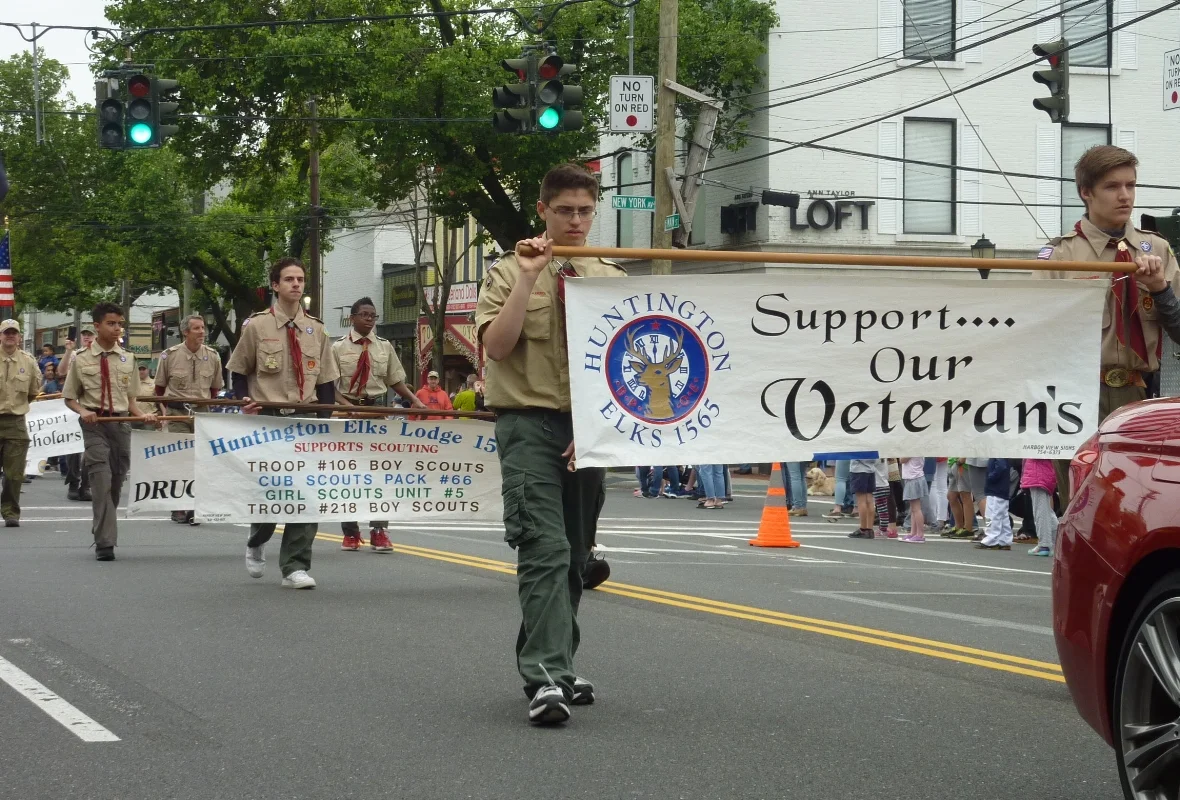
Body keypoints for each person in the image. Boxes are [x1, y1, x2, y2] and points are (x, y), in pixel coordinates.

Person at [474, 162, 626, 725]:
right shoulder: (508, 269)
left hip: (589, 433)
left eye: (585, 210)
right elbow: (496, 345)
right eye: (564, 210)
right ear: (543, 210)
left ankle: (557, 663)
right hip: (529, 425)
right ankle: (544, 678)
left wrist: (598, 426)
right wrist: (529, 277)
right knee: (544, 548)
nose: (576, 220)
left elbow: (624, 367)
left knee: (576, 556)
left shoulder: (611, 276)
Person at [1044, 145, 1180, 498]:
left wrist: (1160, 290)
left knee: (1134, 504)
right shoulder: (1061, 255)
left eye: (1130, 185)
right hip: (1074, 397)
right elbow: (1036, 336)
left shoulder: (1158, 251)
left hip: (1137, 397)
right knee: (1079, 505)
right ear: (1086, 192)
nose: (1125, 196)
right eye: (1112, 186)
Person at [226, 257, 339, 589]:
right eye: (288, 279)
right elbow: (239, 370)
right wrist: (244, 400)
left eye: (300, 279)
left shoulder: (316, 329)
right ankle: (256, 538)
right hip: (269, 420)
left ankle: (295, 566)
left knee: (308, 495)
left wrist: (325, 419)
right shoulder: (257, 326)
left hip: (305, 417)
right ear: (275, 285)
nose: (296, 284)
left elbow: (327, 382)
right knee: (271, 494)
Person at [62, 303, 159, 561]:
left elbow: (131, 402)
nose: (117, 329)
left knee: (116, 482)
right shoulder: (81, 359)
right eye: (111, 323)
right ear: (97, 326)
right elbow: (70, 397)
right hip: (95, 425)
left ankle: (102, 526)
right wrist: (83, 411)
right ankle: (105, 542)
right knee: (100, 480)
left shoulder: (128, 358)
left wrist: (144, 416)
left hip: (120, 424)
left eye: (119, 324)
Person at [333, 296, 425, 552]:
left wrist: (415, 401)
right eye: (364, 314)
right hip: (346, 415)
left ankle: (379, 530)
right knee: (347, 474)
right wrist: (346, 407)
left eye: (373, 315)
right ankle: (350, 532)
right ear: (352, 318)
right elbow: (329, 385)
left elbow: (396, 380)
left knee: (381, 473)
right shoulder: (338, 348)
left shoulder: (384, 347)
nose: (370, 319)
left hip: (376, 412)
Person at [154, 314, 224, 525]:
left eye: (203, 328)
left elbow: (215, 388)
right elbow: (159, 388)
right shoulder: (169, 355)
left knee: (200, 461)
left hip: (201, 414)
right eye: (196, 328)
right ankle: (179, 506)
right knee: (180, 460)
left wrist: (204, 406)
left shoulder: (213, 356)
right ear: (185, 332)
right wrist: (164, 412)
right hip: (177, 413)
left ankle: (196, 505)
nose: (202, 332)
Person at [0, 320, 43, 527]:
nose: (10, 336)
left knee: (14, 474)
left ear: (19, 337)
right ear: (0, 335)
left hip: (16, 422)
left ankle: (10, 512)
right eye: (6, 333)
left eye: (13, 333)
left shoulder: (28, 361)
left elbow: (34, 391)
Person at [60, 325, 96, 502]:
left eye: (90, 335)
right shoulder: (76, 355)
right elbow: (61, 371)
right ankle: (74, 483)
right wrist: (68, 351)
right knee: (73, 449)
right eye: (85, 335)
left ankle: (86, 486)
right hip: (75, 407)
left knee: (91, 450)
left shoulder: (102, 356)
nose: (87, 338)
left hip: (93, 408)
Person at [1021, 458, 1058, 557]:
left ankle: (1044, 545)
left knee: (1040, 511)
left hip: (1037, 474)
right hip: (1042, 474)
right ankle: (1057, 543)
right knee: (1046, 511)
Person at [977, 458, 1013, 551]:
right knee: (1002, 516)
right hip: (1000, 489)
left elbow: (1001, 466)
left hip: (995, 489)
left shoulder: (997, 451)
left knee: (992, 515)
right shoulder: (1001, 451)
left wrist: (991, 477)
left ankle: (991, 539)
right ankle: (1005, 540)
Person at [900, 456, 927, 544]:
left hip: (914, 478)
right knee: (913, 509)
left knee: (916, 508)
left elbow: (902, 459)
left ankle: (920, 534)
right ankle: (913, 532)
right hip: (912, 477)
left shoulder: (912, 448)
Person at [847, 457, 877, 539]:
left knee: (861, 500)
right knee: (869, 499)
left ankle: (863, 529)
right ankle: (870, 529)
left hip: (858, 469)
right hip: (871, 468)